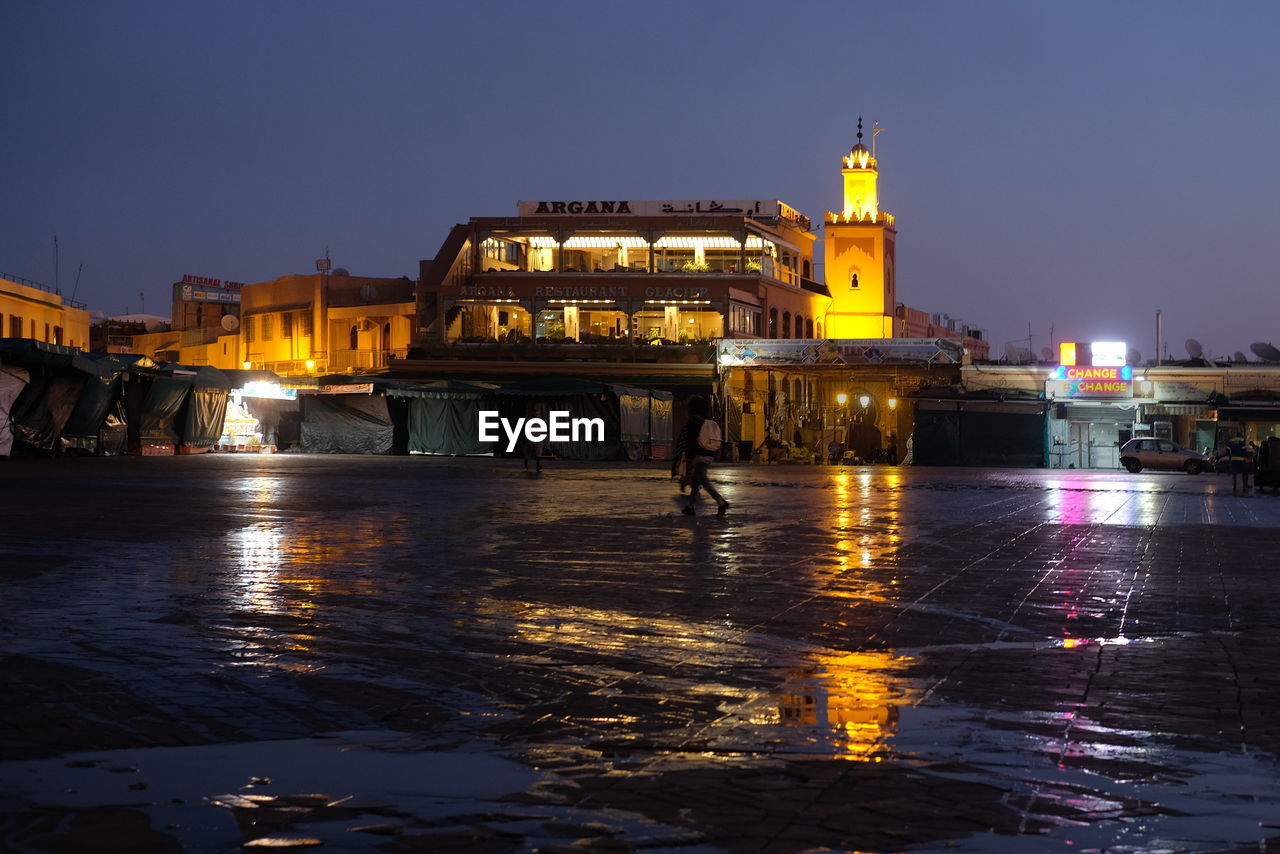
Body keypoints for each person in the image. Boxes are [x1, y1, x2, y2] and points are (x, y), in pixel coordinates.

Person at [677, 396, 729, 516]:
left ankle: (721, 502)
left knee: (703, 481)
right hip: (709, 454)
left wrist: (689, 457)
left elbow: (690, 442)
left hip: (699, 455)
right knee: (696, 480)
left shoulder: (693, 422)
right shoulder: (707, 422)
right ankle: (691, 506)